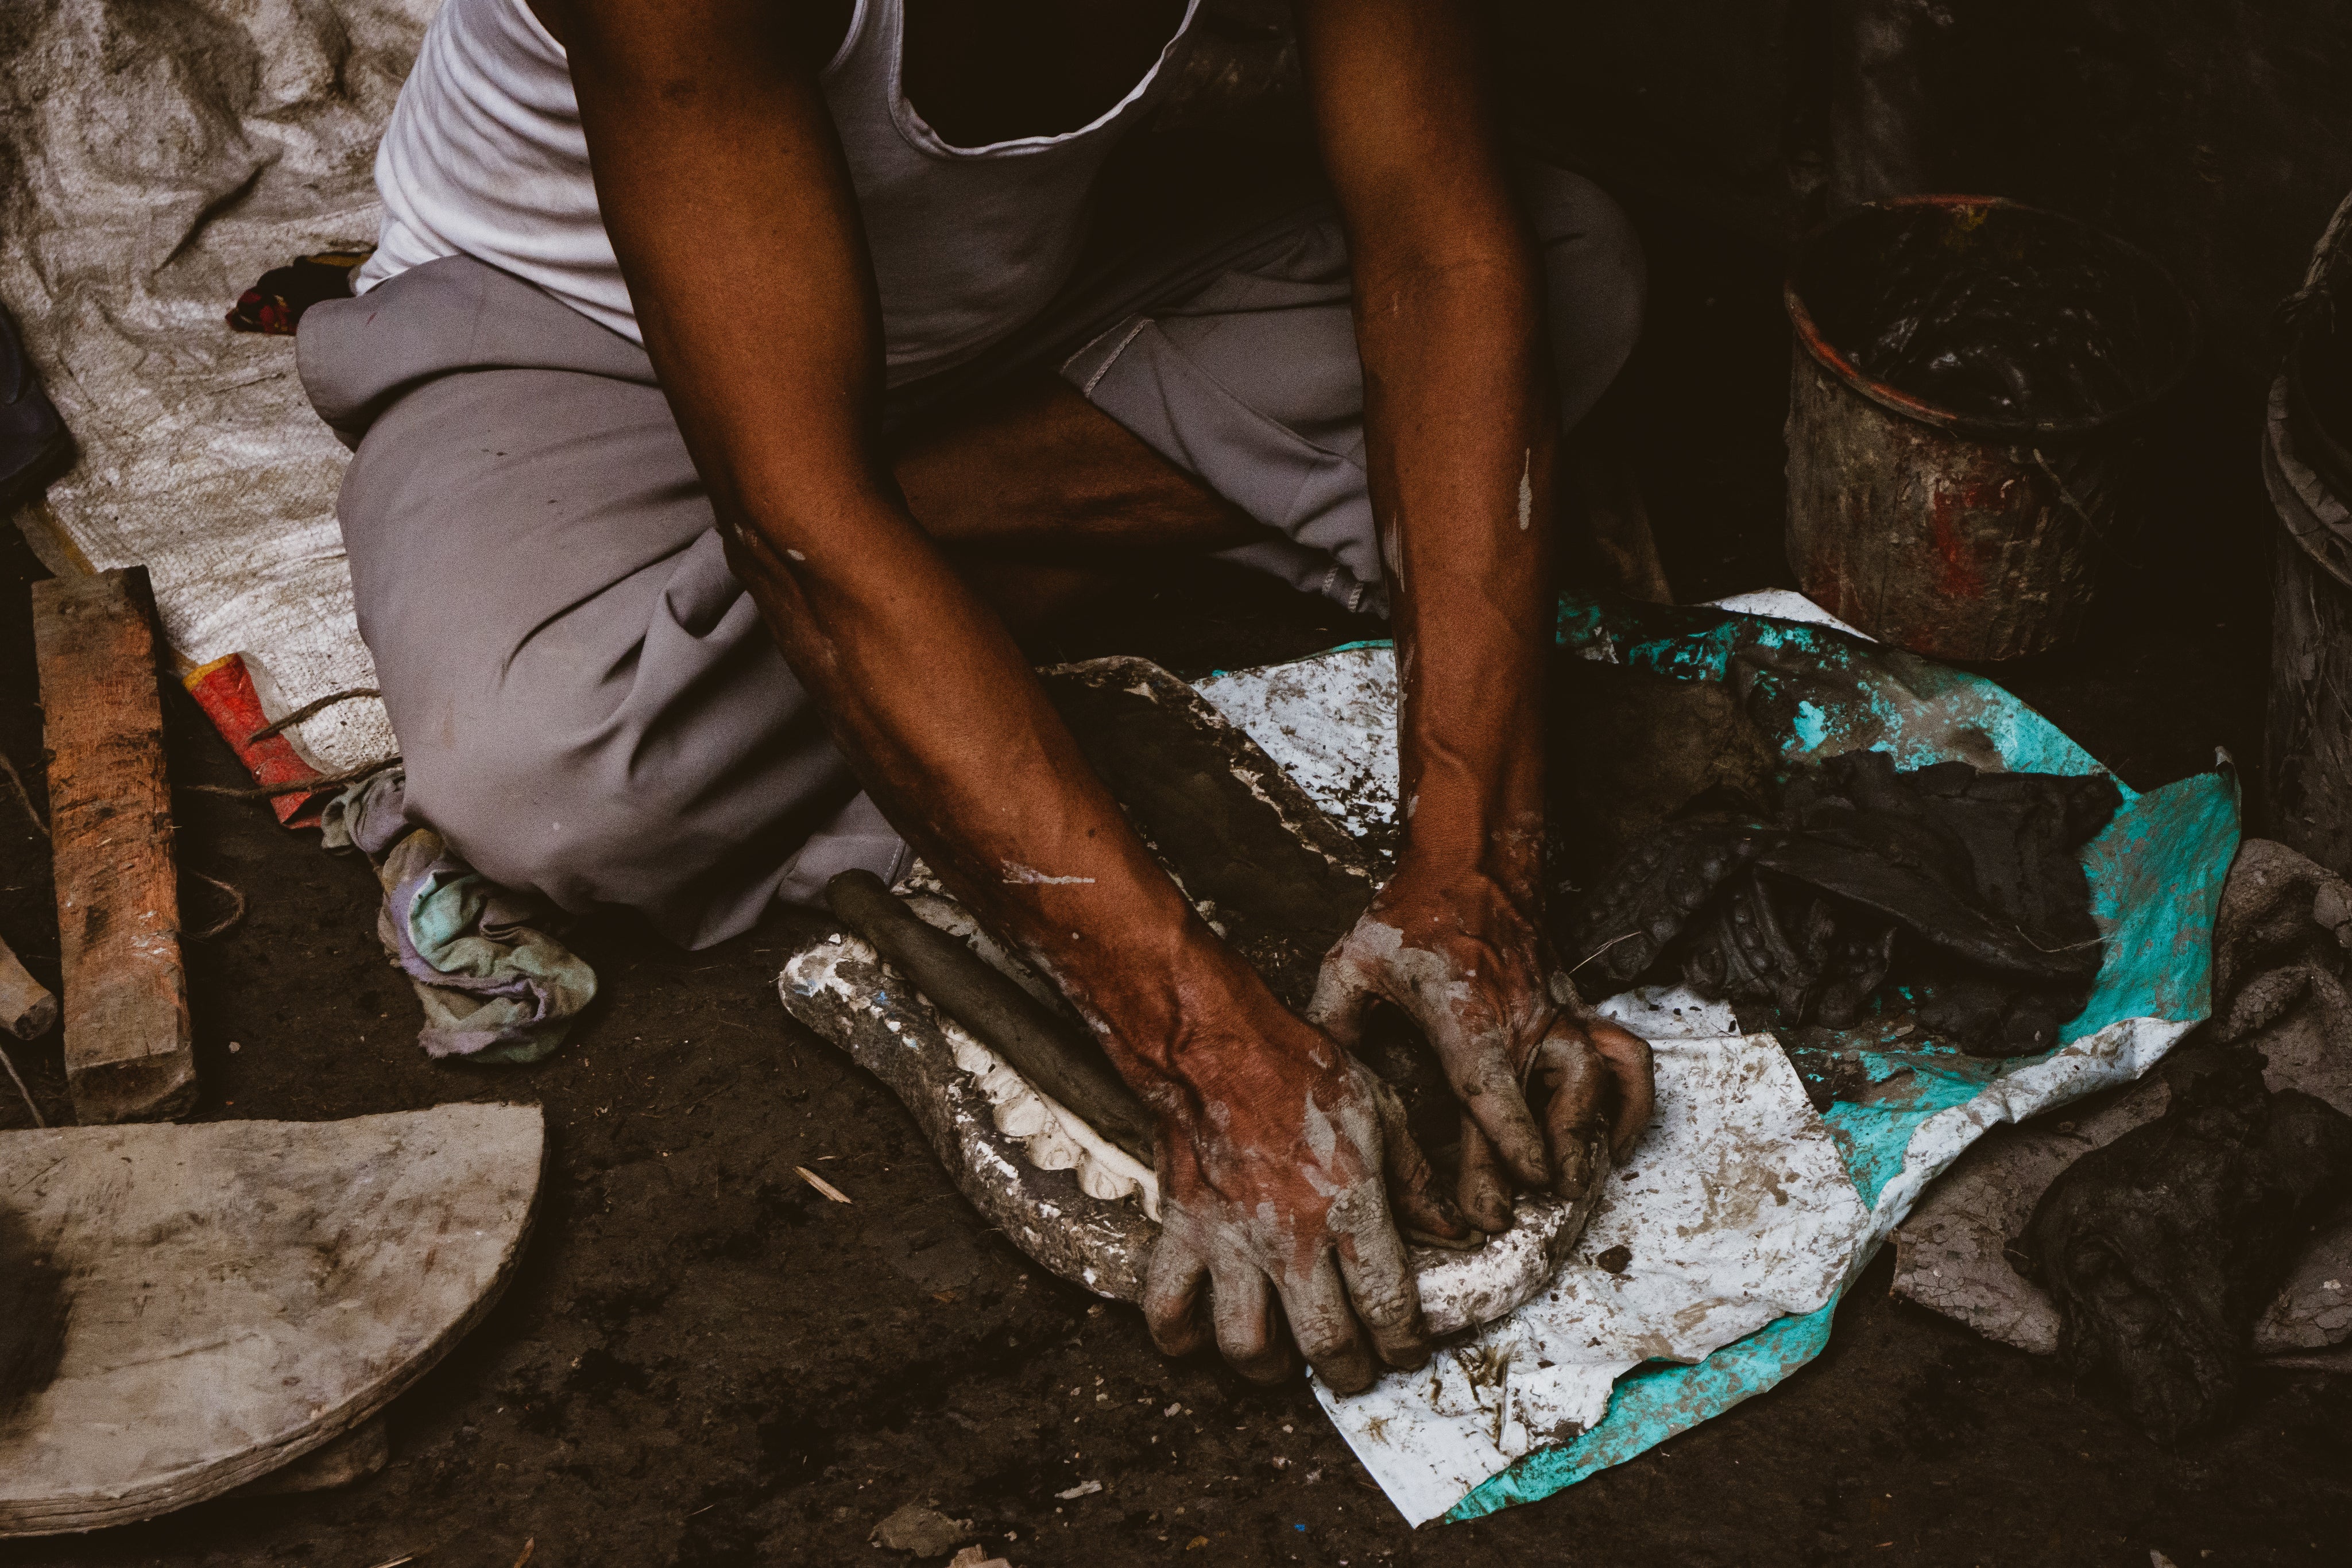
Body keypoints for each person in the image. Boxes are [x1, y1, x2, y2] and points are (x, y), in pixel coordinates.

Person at [298, 0, 1655, 1395]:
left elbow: (1433, 246)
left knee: (1568, 278)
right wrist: (1203, 1050)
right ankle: (864, 581)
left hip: (1013, 307)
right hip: (590, 350)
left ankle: (870, 588)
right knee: (553, 775)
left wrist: (1473, 872)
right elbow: (791, 507)